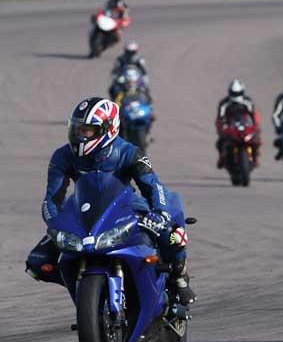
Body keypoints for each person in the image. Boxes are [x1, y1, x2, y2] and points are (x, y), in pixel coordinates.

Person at [25, 98, 195, 305]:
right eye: (77, 129)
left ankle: (179, 278)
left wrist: (160, 214)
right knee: (36, 262)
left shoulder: (130, 152)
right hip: (84, 209)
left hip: (126, 205)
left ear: (108, 129)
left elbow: (153, 186)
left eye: (87, 130)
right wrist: (55, 223)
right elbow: (52, 199)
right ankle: (86, 289)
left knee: (171, 236)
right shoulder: (62, 156)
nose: (80, 136)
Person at [216, 79, 262, 168]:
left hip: (245, 125)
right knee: (220, 142)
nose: (235, 95)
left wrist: (255, 125)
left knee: (256, 139)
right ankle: (221, 157)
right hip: (230, 126)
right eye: (234, 93)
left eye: (237, 93)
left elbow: (254, 114)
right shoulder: (224, 103)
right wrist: (222, 126)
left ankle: (255, 157)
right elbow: (220, 117)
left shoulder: (248, 102)